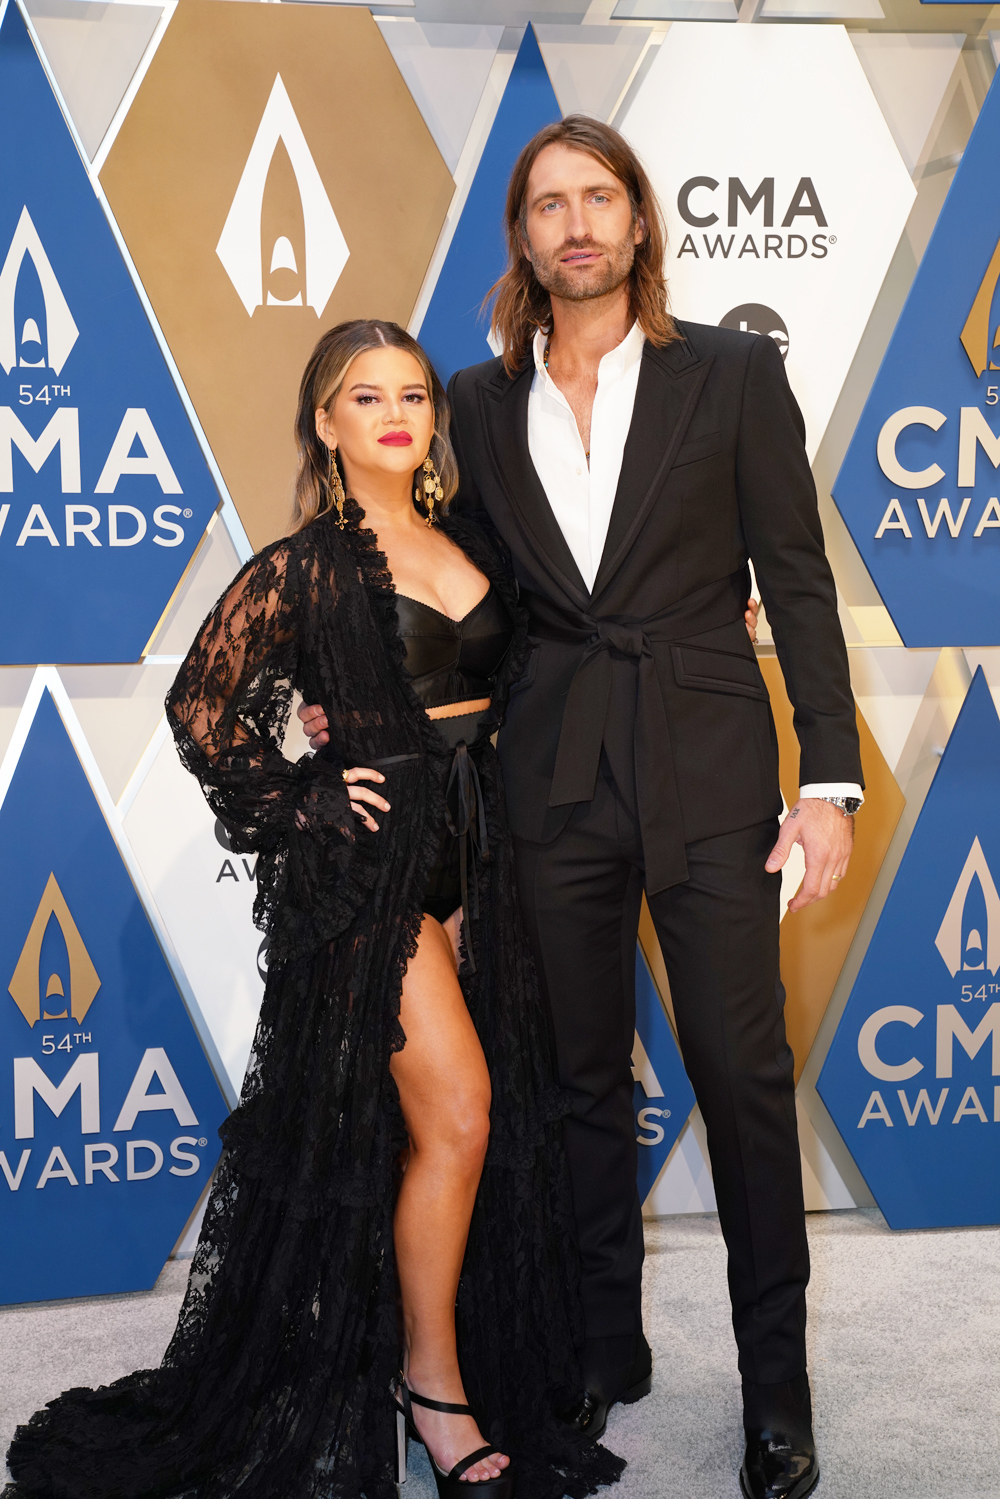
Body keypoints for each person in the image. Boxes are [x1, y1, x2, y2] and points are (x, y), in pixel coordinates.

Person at [300, 116, 863, 1499]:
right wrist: (328, 701)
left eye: (596, 196)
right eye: (547, 204)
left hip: (712, 762)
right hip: (546, 775)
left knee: (741, 1078)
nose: (575, 223)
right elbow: (424, 575)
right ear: (524, 237)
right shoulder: (477, 407)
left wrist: (831, 779)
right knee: (575, 1081)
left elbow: (795, 580)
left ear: (637, 219)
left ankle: (776, 1391)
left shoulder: (732, 373)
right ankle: (606, 1340)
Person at [3, 321, 626, 1499]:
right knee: (459, 1113)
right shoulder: (302, 566)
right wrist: (301, 791)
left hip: (480, 855)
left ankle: (415, 1349)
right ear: (326, 424)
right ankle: (432, 1389)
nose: (398, 411)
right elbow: (201, 704)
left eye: (414, 393)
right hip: (371, 875)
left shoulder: (468, 537)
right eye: (366, 395)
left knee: (438, 1131)